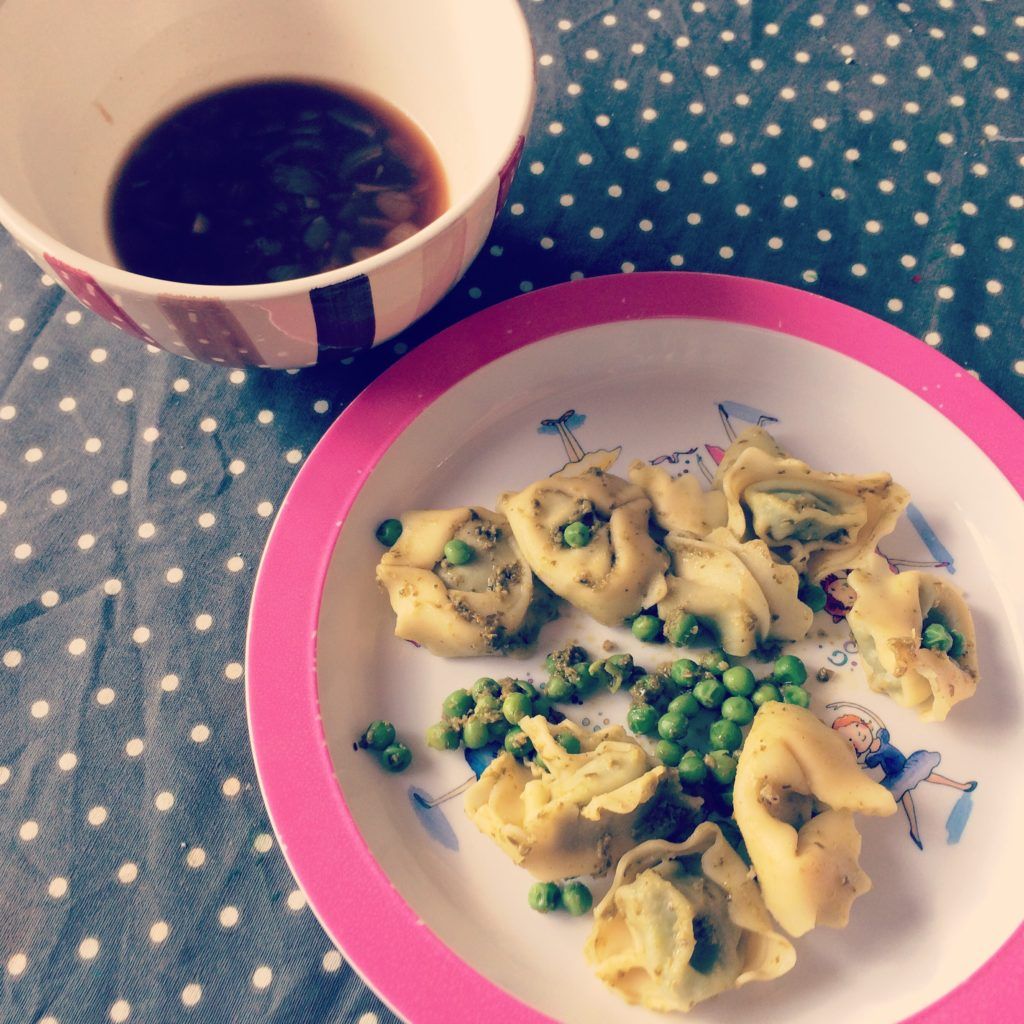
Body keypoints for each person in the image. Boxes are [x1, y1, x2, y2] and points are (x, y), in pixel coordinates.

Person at [831, 710, 976, 850]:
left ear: (864, 724)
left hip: (908, 766)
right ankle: (914, 829)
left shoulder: (882, 737)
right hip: (896, 777)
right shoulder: (871, 757)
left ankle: (961, 786)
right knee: (913, 791)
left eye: (857, 727)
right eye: (851, 740)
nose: (859, 736)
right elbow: (869, 763)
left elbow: (883, 732)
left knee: (927, 776)